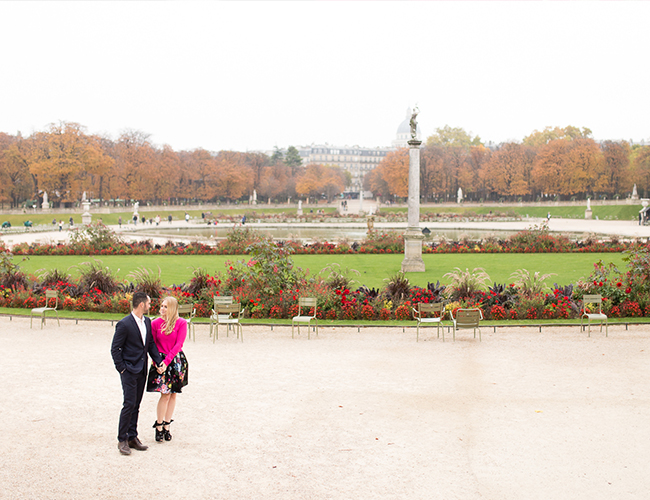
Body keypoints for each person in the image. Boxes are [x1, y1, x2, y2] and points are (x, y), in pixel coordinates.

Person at [111, 292, 163, 455]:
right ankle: (122, 439)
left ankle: (133, 436)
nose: (150, 305)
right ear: (141, 304)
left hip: (141, 370)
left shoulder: (147, 322)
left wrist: (158, 361)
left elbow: (150, 344)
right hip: (128, 370)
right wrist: (122, 368)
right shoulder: (124, 324)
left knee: (137, 404)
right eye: (148, 303)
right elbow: (115, 349)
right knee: (129, 404)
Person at [147, 296, 189, 442]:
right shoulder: (155, 323)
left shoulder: (181, 323)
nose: (162, 309)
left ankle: (167, 425)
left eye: (165, 306)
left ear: (172, 308)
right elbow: (152, 344)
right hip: (160, 361)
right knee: (164, 394)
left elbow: (179, 345)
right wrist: (158, 362)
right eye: (161, 306)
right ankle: (159, 426)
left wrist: (167, 361)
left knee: (173, 394)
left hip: (175, 360)